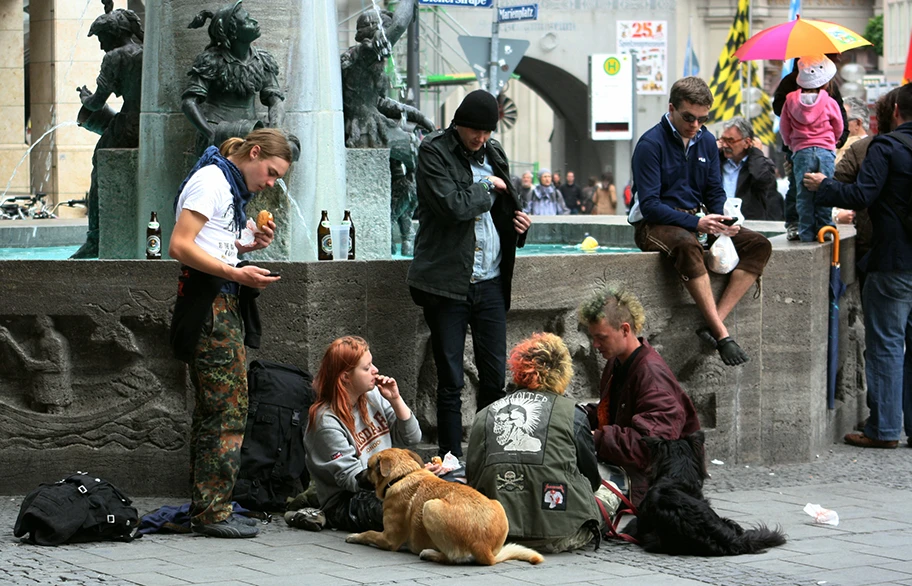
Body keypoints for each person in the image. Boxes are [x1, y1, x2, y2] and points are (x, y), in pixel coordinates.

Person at [169, 128, 295, 538]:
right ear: (254, 153)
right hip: (211, 307)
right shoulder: (212, 182)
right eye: (271, 172)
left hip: (219, 303)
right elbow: (180, 245)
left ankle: (210, 505)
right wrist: (235, 272)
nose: (271, 183)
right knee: (227, 410)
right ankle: (212, 512)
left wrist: (246, 244)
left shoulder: (226, 182)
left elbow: (213, 242)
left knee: (216, 410)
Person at [407, 89, 532, 459]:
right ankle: (451, 459)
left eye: (487, 131)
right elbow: (452, 207)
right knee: (451, 381)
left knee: (494, 380)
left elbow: (507, 206)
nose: (480, 138)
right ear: (458, 124)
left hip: (491, 281)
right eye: (473, 130)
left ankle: (488, 457)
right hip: (447, 284)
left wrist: (521, 225)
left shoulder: (494, 154)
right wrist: (485, 186)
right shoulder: (433, 150)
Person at [627, 76, 772, 366]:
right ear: (671, 108)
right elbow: (652, 206)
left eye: (702, 120)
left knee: (759, 245)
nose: (695, 125)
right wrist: (697, 224)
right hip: (653, 225)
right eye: (688, 118)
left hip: (697, 220)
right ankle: (722, 335)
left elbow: (714, 191)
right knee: (687, 244)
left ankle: (714, 321)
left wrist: (724, 218)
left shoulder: (706, 140)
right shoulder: (650, 144)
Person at [802, 83, 912, 450]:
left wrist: (824, 186)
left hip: (893, 262)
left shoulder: (887, 147)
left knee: (886, 345)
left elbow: (862, 195)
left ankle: (883, 428)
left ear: (895, 111)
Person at [467, 332, 601, 553]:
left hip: (496, 531)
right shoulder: (573, 414)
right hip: (560, 532)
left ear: (518, 371)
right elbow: (592, 478)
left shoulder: (484, 414)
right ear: (562, 371)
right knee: (611, 490)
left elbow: (473, 474)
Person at [578, 287, 701, 507]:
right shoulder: (617, 362)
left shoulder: (652, 376)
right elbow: (610, 412)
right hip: (631, 468)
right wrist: (574, 418)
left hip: (659, 486)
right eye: (593, 337)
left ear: (625, 329)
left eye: (601, 337)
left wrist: (595, 437)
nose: (595, 345)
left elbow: (651, 447)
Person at [303, 336, 422, 531]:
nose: (375, 370)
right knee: (409, 510)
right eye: (366, 368)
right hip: (347, 500)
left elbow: (412, 438)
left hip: (387, 484)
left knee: (455, 482)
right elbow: (352, 479)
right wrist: (406, 479)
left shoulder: (373, 395)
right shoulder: (325, 421)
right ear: (345, 377)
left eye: (372, 364)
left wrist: (396, 399)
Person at [71, 2, 144, 259]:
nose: (101, 45)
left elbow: (97, 103)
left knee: (98, 169)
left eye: (102, 38)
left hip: (126, 126)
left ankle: (95, 238)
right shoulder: (144, 53)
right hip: (148, 125)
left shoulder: (115, 57)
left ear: (112, 34)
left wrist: (85, 98)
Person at [182, 1, 285, 151]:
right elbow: (189, 102)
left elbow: (276, 101)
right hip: (218, 128)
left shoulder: (262, 59)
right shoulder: (212, 60)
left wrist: (275, 131)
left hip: (250, 128)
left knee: (290, 147)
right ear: (233, 31)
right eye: (247, 20)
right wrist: (210, 133)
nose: (255, 22)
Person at [774, 55, 849, 241]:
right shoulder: (829, 101)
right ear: (824, 83)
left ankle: (804, 231)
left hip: (800, 151)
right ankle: (825, 228)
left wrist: (791, 144)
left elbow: (783, 126)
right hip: (825, 150)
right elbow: (839, 124)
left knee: (802, 191)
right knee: (825, 188)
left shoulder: (790, 100)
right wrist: (833, 141)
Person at [718, 117, 784, 221]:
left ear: (747, 142)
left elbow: (762, 179)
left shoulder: (762, 164)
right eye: (723, 140)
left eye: (730, 141)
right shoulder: (716, 162)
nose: (725, 145)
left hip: (749, 225)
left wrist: (756, 152)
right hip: (718, 222)